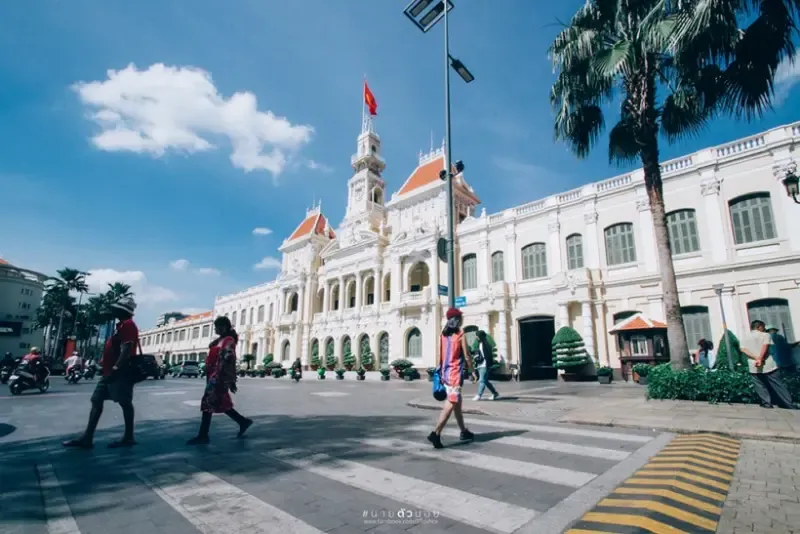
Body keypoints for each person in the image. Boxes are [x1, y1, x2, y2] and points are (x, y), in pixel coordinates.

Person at [63, 296, 140, 449]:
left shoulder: (128, 325)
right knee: (96, 400)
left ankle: (128, 437)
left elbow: (126, 349)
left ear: (123, 310)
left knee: (125, 403)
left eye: (117, 308)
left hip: (120, 373)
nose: (114, 310)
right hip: (109, 372)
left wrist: (116, 368)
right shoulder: (122, 325)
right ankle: (87, 437)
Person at [187, 316, 253, 444]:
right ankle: (243, 421)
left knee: (208, 403)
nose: (215, 329)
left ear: (223, 327)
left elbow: (229, 359)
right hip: (213, 375)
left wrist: (229, 379)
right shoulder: (221, 340)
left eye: (217, 326)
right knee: (220, 403)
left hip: (218, 376)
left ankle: (203, 435)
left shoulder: (228, 340)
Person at [428, 307, 475, 449]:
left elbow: (439, 355)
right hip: (454, 375)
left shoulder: (442, 334)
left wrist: (440, 371)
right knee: (451, 403)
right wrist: (472, 371)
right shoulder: (460, 333)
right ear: (458, 319)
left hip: (444, 373)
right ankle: (436, 433)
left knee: (457, 404)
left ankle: (464, 431)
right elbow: (466, 356)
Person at [740, 320, 795, 409]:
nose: (764, 329)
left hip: (753, 365)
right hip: (768, 364)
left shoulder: (745, 337)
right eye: (763, 327)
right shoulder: (765, 335)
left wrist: (756, 358)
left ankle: (766, 403)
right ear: (759, 327)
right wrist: (760, 358)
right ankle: (788, 403)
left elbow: (743, 349)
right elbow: (765, 346)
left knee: (759, 385)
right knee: (778, 384)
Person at [473, 330, 500, 401]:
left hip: (484, 365)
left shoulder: (486, 344)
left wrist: (488, 365)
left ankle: (479, 395)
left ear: (480, 336)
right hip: (480, 365)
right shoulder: (480, 344)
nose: (476, 337)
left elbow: (488, 356)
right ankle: (495, 393)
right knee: (485, 381)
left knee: (481, 380)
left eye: (477, 335)